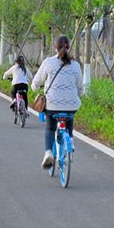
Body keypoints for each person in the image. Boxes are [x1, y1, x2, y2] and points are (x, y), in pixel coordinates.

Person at [31, 35, 83, 169]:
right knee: (69, 114)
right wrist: (74, 95)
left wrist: (34, 88)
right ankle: (70, 139)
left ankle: (48, 152)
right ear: (68, 47)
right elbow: (80, 88)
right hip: (72, 104)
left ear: (55, 47)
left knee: (50, 128)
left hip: (53, 105)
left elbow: (36, 82)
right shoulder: (76, 65)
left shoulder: (48, 62)